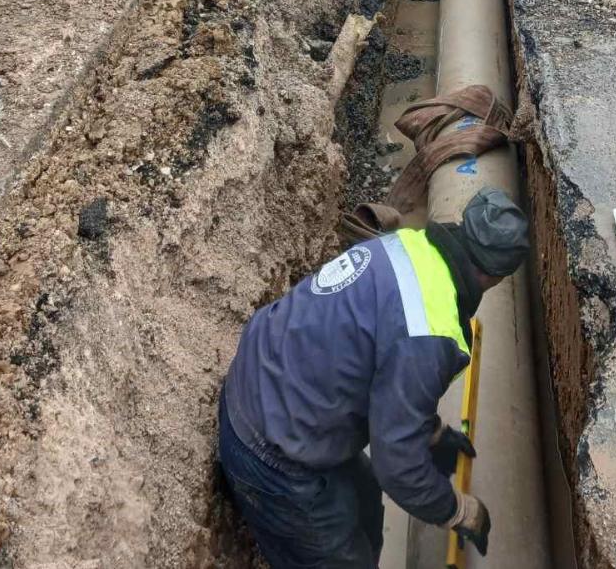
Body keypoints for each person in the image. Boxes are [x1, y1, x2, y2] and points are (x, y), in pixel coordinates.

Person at [218, 187, 530, 568]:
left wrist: (429, 433)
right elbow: (397, 468)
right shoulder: (431, 335)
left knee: (366, 503)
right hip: (269, 448)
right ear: (498, 276)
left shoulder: (408, 245)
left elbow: (383, 362)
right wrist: (457, 511)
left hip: (271, 378)